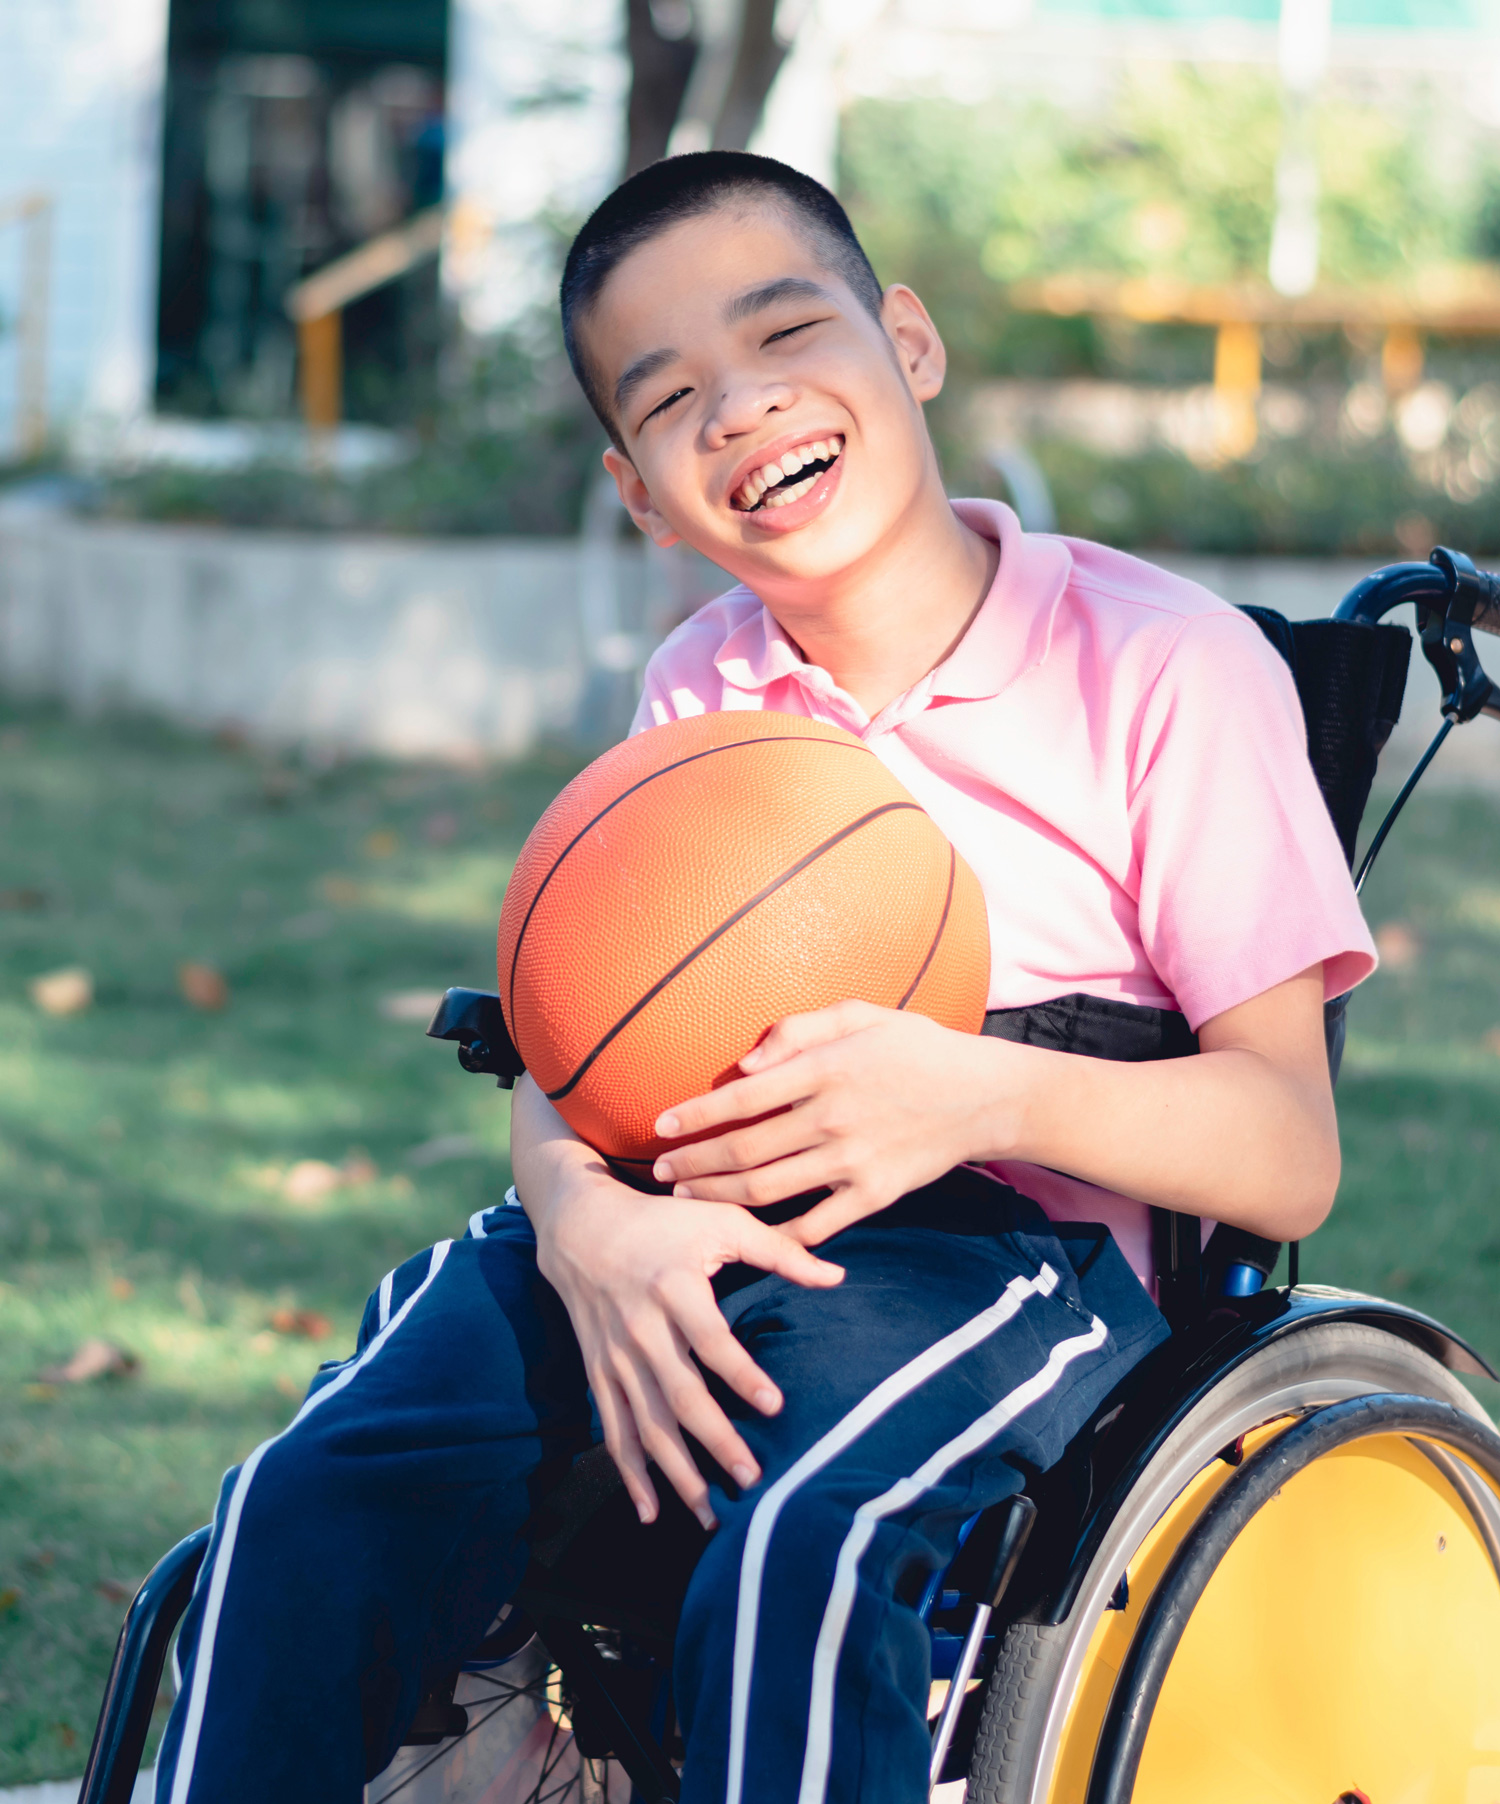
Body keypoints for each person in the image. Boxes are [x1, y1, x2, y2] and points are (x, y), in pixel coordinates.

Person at [154, 152, 1375, 1804]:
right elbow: (571, 1072)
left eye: (787, 330)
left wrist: (978, 1095)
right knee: (315, 1496)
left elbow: (1288, 1146)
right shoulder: (701, 689)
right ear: (642, 491)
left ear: (911, 344)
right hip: (673, 1220)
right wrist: (592, 1226)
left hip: (1006, 1265)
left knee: (811, 1535)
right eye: (674, 400)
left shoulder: (1164, 672)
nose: (743, 408)